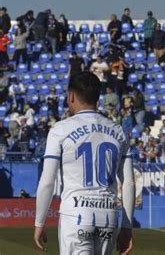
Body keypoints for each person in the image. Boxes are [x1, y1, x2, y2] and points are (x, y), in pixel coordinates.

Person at [33, 72, 134, 254]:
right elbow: (128, 182)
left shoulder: (60, 129)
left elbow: (47, 181)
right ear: (98, 98)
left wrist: (39, 222)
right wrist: (127, 226)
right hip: (108, 215)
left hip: (76, 214)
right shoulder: (118, 131)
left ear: (71, 96)